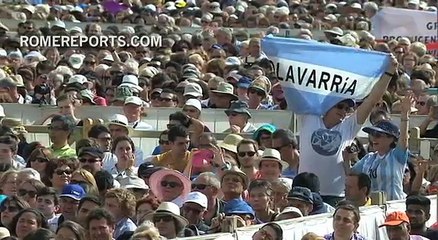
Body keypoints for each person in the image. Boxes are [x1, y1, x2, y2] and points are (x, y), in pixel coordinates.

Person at [299, 57, 397, 206]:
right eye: (340, 106)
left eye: (347, 108)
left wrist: (389, 73)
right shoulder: (309, 117)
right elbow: (299, 85)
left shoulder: (349, 126)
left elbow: (371, 100)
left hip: (335, 196)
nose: (344, 111)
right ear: (327, 105)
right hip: (305, 193)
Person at [344, 95, 413, 201]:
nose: (374, 138)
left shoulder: (396, 156)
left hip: (393, 206)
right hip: (373, 208)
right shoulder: (369, 158)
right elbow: (351, 174)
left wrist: (405, 115)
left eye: (378, 135)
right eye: (372, 134)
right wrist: (347, 160)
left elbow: (403, 140)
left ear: (391, 139)